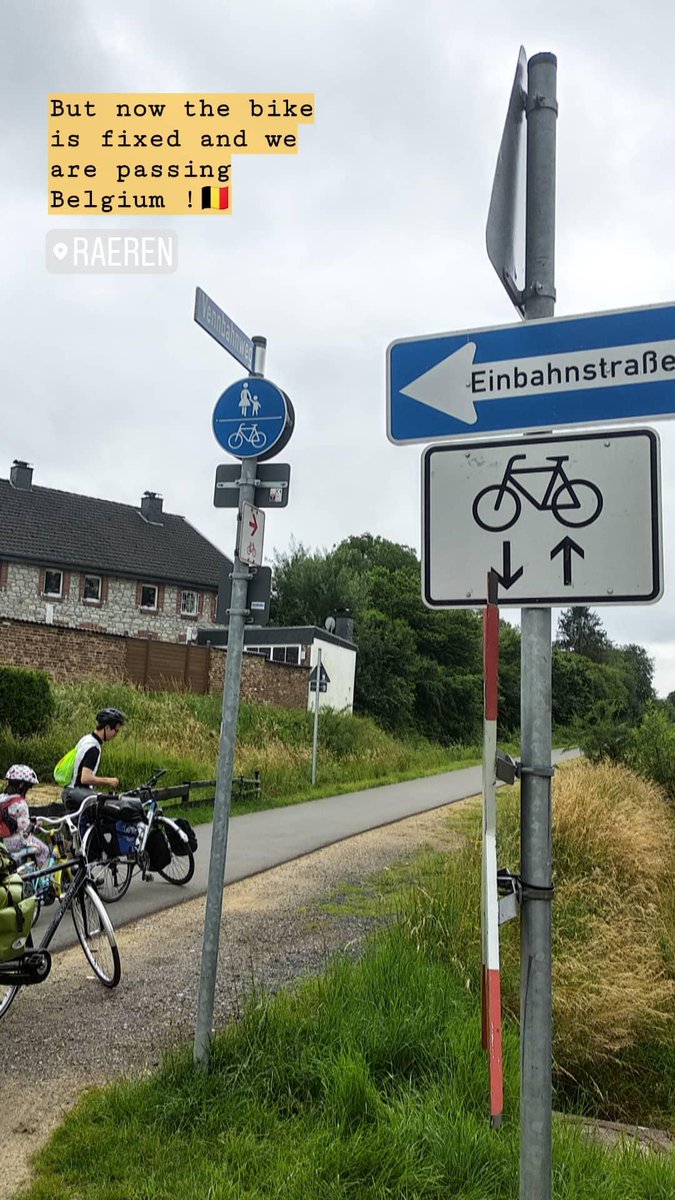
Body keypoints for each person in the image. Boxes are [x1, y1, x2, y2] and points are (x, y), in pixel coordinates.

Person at [0, 764, 50, 869]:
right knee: (44, 850)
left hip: (4, 841)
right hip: (17, 841)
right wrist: (36, 825)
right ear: (22, 785)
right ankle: (42, 876)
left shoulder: (2, 799)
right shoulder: (20, 804)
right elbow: (25, 828)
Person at [68, 707, 126, 791]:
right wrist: (108, 781)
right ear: (107, 728)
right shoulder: (93, 748)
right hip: (78, 793)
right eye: (116, 731)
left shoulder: (86, 739)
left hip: (70, 789)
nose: (116, 734)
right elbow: (85, 778)